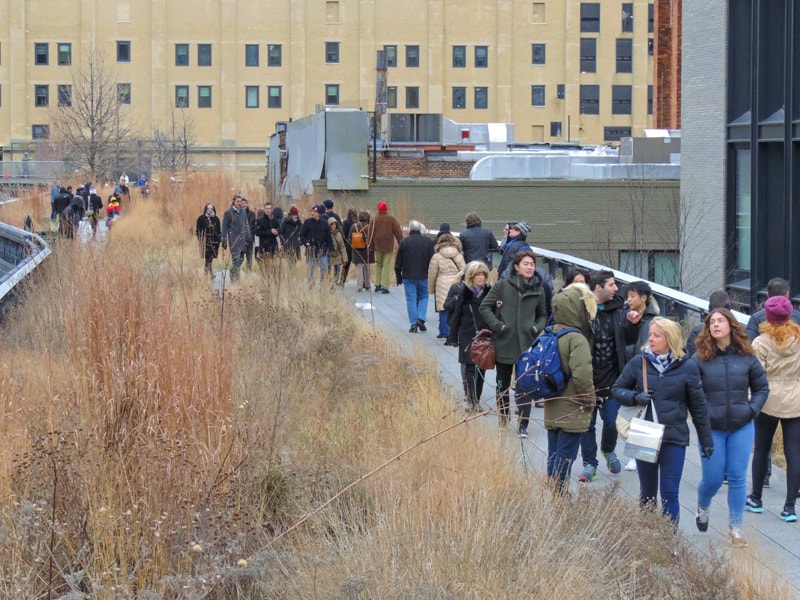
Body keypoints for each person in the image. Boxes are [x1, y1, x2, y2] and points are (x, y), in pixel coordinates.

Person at [612, 317, 714, 525]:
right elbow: (616, 389)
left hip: (674, 435)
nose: (651, 339)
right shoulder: (638, 362)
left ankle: (670, 543)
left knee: (669, 493)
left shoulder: (687, 367)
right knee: (647, 494)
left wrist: (706, 440)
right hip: (645, 433)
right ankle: (649, 541)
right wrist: (635, 397)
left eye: (656, 335)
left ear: (669, 339)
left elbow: (699, 408)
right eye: (650, 334)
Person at [693, 308, 768, 546]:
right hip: (711, 427)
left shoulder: (746, 356)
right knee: (713, 478)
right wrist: (702, 413)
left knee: (737, 477)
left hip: (741, 425)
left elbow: (762, 388)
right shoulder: (700, 357)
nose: (715, 325)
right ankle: (703, 505)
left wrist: (751, 410)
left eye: (720, 321)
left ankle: (736, 527)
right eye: (712, 322)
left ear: (730, 325)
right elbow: (691, 390)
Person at [577, 270, 642, 482]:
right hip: (586, 379)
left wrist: (633, 324)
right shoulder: (583, 309)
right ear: (598, 288)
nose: (616, 289)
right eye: (612, 285)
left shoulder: (619, 309)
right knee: (587, 425)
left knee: (613, 421)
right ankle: (589, 464)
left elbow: (629, 339)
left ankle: (607, 449)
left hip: (613, 379)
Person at [479, 250, 548, 434]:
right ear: (516, 267)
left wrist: (535, 328)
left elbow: (543, 315)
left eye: (532, 264)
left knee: (525, 386)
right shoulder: (502, 286)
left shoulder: (538, 289)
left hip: (527, 347)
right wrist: (498, 325)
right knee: (501, 385)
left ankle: (523, 424)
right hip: (504, 343)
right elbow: (485, 306)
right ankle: (503, 418)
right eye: (525, 264)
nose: (529, 267)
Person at [749, 295, 800, 523]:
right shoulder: (799, 339)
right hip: (796, 398)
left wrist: (752, 401)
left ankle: (756, 498)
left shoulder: (760, 342)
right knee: (794, 453)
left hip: (767, 399)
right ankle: (789, 507)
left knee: (761, 449)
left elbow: (755, 375)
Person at [544, 282, 597, 494]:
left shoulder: (549, 332)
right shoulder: (577, 339)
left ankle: (551, 490)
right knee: (566, 456)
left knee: (554, 453)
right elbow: (582, 375)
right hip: (572, 406)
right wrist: (590, 400)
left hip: (551, 404)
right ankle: (559, 495)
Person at [446, 261, 492, 412]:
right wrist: (453, 337)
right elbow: (457, 316)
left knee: (482, 369)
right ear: (471, 276)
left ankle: (476, 399)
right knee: (470, 368)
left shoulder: (490, 293)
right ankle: (473, 402)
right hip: (468, 334)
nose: (480, 278)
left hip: (484, 336)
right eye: (478, 274)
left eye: (483, 274)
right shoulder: (464, 293)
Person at [395, 220, 435, 332]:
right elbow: (432, 260)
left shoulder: (404, 242)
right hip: (423, 275)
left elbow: (398, 262)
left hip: (408, 276)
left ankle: (413, 325)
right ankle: (421, 318)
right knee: (424, 297)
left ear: (410, 230)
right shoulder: (428, 242)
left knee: (411, 300)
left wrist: (398, 276)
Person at [428, 233, 466, 339]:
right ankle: (453, 331)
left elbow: (432, 273)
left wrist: (431, 289)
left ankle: (444, 331)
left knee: (443, 307)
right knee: (455, 307)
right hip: (456, 282)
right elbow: (465, 270)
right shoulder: (458, 255)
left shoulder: (437, 256)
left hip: (441, 281)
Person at [685, 290, 734, 357]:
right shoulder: (737, 332)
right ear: (728, 308)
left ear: (709, 308)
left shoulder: (697, 332)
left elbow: (690, 361)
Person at [369, 201, 403, 293]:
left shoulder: (374, 219)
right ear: (386, 209)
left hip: (377, 246)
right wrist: (402, 243)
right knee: (386, 265)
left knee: (378, 264)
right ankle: (385, 286)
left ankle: (378, 284)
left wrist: (370, 247)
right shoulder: (391, 219)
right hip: (388, 246)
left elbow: (370, 234)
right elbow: (398, 232)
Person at [299, 204, 333, 282]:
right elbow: (302, 235)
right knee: (311, 270)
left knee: (324, 269)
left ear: (319, 213)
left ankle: (323, 286)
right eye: (312, 211)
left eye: (314, 211)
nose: (312, 213)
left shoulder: (324, 223)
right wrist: (306, 243)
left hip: (322, 250)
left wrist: (331, 248)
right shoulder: (307, 222)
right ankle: (311, 286)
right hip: (311, 249)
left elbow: (328, 237)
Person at [221, 195, 251, 281]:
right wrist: (224, 239)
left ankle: (233, 271)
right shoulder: (228, 213)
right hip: (233, 239)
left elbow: (246, 224)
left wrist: (248, 236)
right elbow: (224, 227)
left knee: (241, 259)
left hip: (243, 240)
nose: (239, 203)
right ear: (233, 201)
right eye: (238, 201)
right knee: (236, 259)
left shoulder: (243, 211)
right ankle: (236, 279)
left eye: (241, 201)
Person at [196, 203, 222, 276]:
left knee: (211, 258)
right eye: (208, 208)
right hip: (205, 241)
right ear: (205, 209)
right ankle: (208, 273)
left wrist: (219, 239)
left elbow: (219, 230)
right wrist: (200, 239)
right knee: (207, 257)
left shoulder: (216, 219)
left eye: (211, 208)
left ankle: (208, 272)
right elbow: (198, 230)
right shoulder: (201, 218)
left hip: (214, 241)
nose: (210, 210)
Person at [350, 211, 372, 291]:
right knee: (366, 267)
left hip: (356, 250)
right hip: (366, 250)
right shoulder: (368, 227)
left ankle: (359, 286)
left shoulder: (353, 226)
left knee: (358, 268)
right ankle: (367, 284)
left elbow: (349, 238)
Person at [327, 218, 348, 286]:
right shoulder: (327, 234)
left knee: (338, 270)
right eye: (332, 224)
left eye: (334, 224)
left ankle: (334, 281)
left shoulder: (339, 234)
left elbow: (342, 247)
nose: (333, 226)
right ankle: (329, 283)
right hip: (329, 255)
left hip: (337, 255)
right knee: (328, 270)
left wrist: (345, 258)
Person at [341, 207, 358, 283]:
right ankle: (363, 282)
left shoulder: (345, 222)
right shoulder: (358, 222)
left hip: (348, 246)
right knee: (359, 265)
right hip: (357, 246)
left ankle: (342, 280)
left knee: (346, 264)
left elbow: (343, 235)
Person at [240, 198, 257, 269]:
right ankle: (237, 272)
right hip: (240, 239)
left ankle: (248, 273)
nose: (243, 205)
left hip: (249, 239)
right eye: (242, 203)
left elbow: (255, 227)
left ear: (247, 204)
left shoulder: (252, 214)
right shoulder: (237, 214)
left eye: (245, 203)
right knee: (240, 258)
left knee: (249, 257)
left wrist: (252, 236)